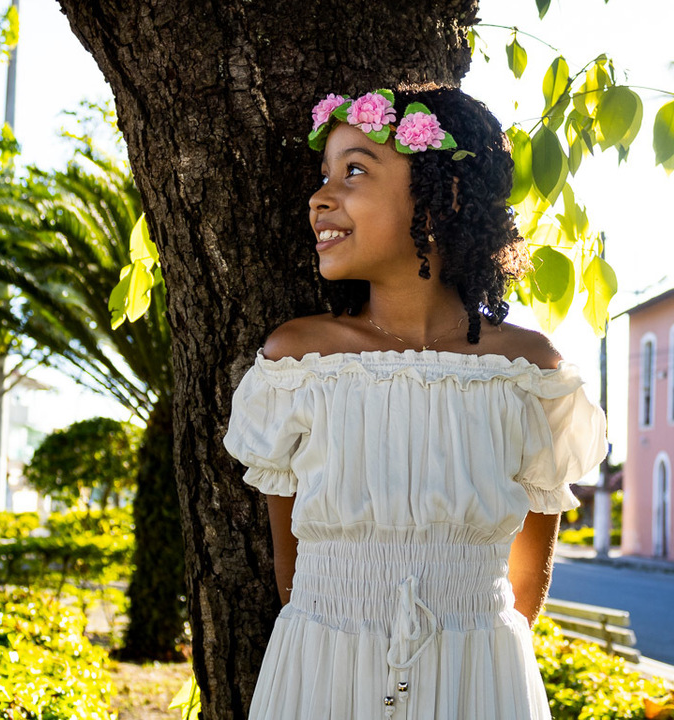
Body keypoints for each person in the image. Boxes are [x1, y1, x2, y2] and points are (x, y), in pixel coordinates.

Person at [224, 84, 607, 719]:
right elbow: (289, 567)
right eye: (324, 175)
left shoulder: (527, 372)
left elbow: (526, 578)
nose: (321, 197)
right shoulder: (298, 361)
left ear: (442, 197)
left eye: (354, 171)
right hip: (323, 668)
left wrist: (474, 666)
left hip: (478, 678)